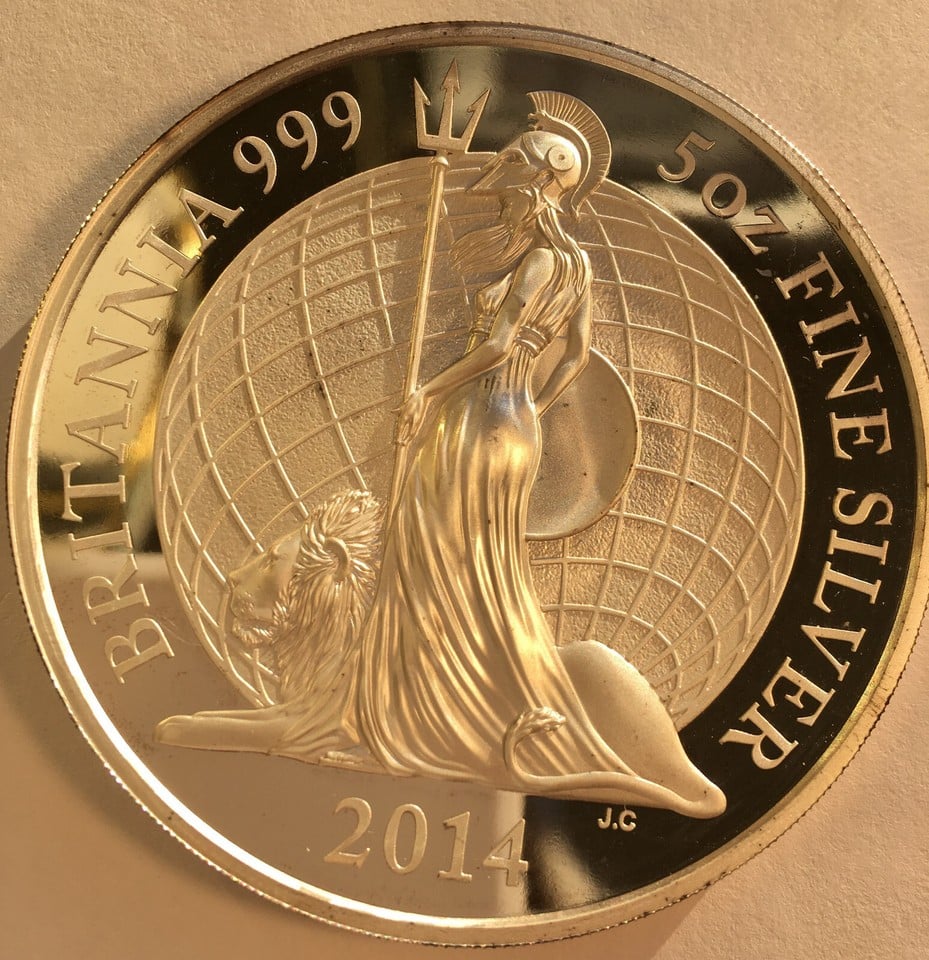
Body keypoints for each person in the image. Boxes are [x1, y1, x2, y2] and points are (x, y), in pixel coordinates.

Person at [354, 92, 725, 818]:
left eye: (512, 173)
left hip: (477, 412)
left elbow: (497, 344)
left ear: (539, 180)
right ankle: (456, 702)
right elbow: (578, 354)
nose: (501, 182)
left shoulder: (541, 260)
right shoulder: (576, 265)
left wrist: (430, 391)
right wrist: (533, 405)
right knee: (479, 558)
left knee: (442, 551)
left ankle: (445, 706)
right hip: (513, 420)